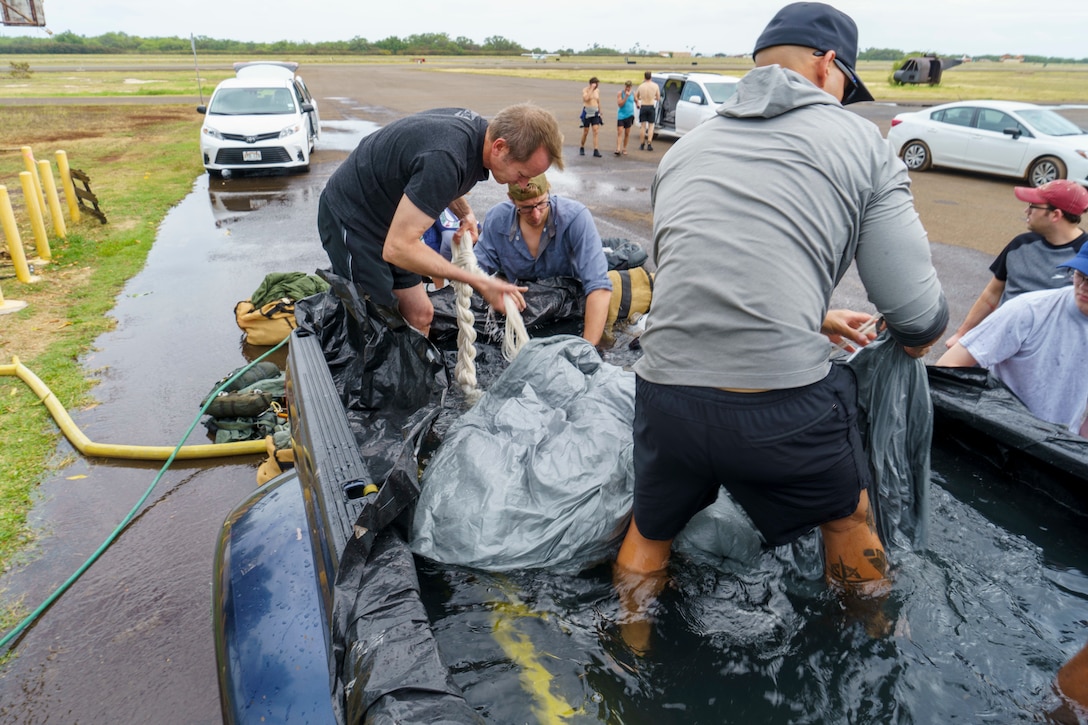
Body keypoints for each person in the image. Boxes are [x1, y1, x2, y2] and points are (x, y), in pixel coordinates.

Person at [615, 1, 948, 632]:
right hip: (782, 410)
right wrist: (914, 340)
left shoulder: (688, 147)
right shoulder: (862, 144)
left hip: (665, 398)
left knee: (650, 529)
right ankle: (876, 642)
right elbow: (917, 314)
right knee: (848, 518)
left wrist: (813, 314)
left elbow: (688, 276)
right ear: (829, 66)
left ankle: (627, 654)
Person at [318, 104, 564, 337]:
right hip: (353, 221)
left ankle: (413, 376)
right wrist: (482, 282)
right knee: (376, 326)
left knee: (420, 314)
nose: (523, 184)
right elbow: (398, 248)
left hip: (393, 221)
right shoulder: (447, 157)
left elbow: (431, 181)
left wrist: (465, 213)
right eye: (522, 175)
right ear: (500, 147)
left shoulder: (476, 137)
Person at [937, 245, 1088, 437]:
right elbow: (948, 366)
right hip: (999, 437)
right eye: (1080, 275)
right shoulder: (1028, 311)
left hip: (1060, 447)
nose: (1083, 286)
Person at [944, 179, 1088, 348]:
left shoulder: (1083, 257)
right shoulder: (1019, 245)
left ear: (1055, 215)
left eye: (1033, 205)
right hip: (1002, 340)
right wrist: (961, 334)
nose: (1026, 210)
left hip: (1051, 350)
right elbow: (991, 294)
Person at [475, 173, 612, 346]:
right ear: (511, 199)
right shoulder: (497, 220)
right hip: (520, 314)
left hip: (569, 316)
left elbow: (599, 287)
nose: (536, 215)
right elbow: (472, 271)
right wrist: (492, 287)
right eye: (525, 208)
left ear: (548, 190)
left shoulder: (575, 218)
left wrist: (587, 348)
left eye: (541, 204)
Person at [635, 71, 661, 151]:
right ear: (651, 77)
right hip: (650, 105)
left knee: (643, 126)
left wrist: (638, 102)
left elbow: (636, 96)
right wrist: (653, 98)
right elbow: (658, 97)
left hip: (643, 105)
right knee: (651, 126)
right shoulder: (655, 86)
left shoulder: (641, 86)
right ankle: (649, 143)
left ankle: (642, 143)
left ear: (644, 77)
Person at [579, 77, 603, 158]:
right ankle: (582, 146)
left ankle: (596, 150)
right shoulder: (585, 90)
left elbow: (598, 101)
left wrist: (600, 110)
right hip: (587, 113)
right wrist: (591, 89)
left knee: (595, 130)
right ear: (592, 83)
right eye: (596, 84)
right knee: (586, 132)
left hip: (595, 112)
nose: (597, 85)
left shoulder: (597, 91)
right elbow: (586, 99)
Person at [615, 80, 636, 156]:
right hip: (621, 115)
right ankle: (618, 148)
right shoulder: (620, 93)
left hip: (629, 115)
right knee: (620, 132)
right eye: (626, 86)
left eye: (629, 87)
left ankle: (624, 148)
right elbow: (620, 104)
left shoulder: (633, 93)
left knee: (627, 133)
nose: (627, 88)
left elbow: (636, 100)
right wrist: (626, 97)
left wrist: (638, 104)